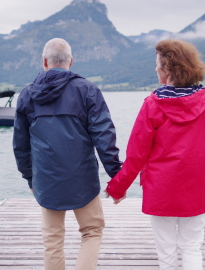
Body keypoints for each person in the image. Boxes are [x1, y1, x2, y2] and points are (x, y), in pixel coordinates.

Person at [105, 39, 205, 270]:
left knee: (166, 251)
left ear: (168, 69)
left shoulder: (153, 104)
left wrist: (118, 187)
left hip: (162, 188)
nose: (155, 68)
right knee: (191, 247)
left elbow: (137, 154)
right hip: (196, 187)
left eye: (157, 64)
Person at [13, 38, 123, 270]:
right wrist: (116, 174)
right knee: (91, 232)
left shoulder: (27, 95)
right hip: (83, 178)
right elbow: (104, 136)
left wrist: (30, 178)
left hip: (46, 179)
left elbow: (20, 145)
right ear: (71, 61)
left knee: (52, 239)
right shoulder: (87, 91)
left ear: (44, 62)